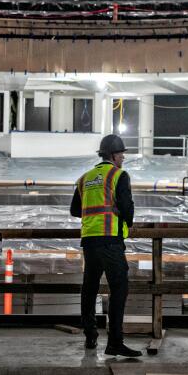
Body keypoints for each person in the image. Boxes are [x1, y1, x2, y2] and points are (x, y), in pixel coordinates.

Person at [70, 134, 142, 357]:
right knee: (119, 288)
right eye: (121, 154)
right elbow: (128, 210)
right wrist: (123, 217)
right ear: (113, 155)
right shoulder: (118, 175)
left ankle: (90, 335)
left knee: (89, 289)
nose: (123, 158)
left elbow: (74, 210)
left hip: (89, 241)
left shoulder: (85, 178)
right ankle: (115, 342)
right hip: (110, 240)